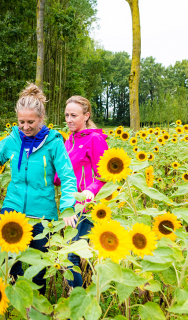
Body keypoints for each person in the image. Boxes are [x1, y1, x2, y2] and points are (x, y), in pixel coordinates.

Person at [0, 84, 77, 294]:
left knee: (40, 266)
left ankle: (36, 307)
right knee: (9, 262)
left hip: (43, 215)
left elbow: (67, 177)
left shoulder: (54, 143)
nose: (25, 126)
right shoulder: (11, 141)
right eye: (21, 122)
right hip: (12, 210)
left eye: (31, 122)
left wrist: (67, 207)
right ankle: (15, 300)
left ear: (41, 119)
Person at [55, 95, 108, 289]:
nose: (69, 119)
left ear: (86, 115)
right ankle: (81, 298)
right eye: (67, 115)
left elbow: (104, 175)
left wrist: (89, 191)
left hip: (87, 206)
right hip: (70, 206)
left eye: (74, 115)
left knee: (71, 256)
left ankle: (78, 303)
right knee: (75, 256)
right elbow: (64, 176)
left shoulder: (94, 139)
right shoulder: (69, 141)